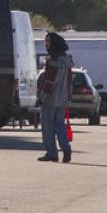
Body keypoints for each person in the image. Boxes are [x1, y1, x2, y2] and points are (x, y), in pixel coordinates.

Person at [36, 31, 74, 163]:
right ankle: (66, 148)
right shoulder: (67, 62)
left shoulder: (53, 62)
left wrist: (42, 97)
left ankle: (51, 152)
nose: (45, 45)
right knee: (60, 125)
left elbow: (49, 83)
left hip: (50, 100)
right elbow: (69, 83)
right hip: (63, 100)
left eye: (47, 42)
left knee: (47, 127)